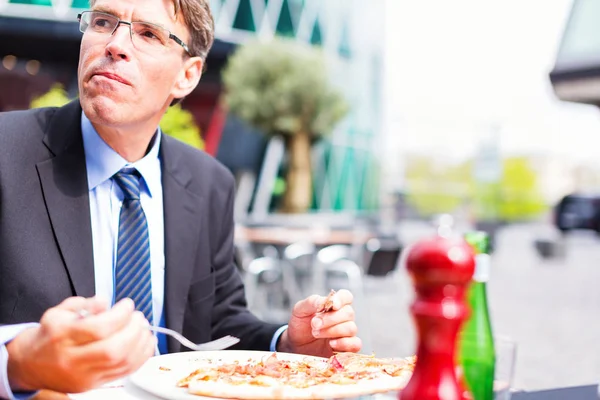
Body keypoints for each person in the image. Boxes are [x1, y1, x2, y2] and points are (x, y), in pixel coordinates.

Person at [0, 0, 361, 398]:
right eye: (103, 22)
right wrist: (18, 363)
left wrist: (287, 345)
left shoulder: (210, 184)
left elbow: (219, 322)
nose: (116, 44)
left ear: (187, 77)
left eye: (149, 34)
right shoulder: (6, 152)